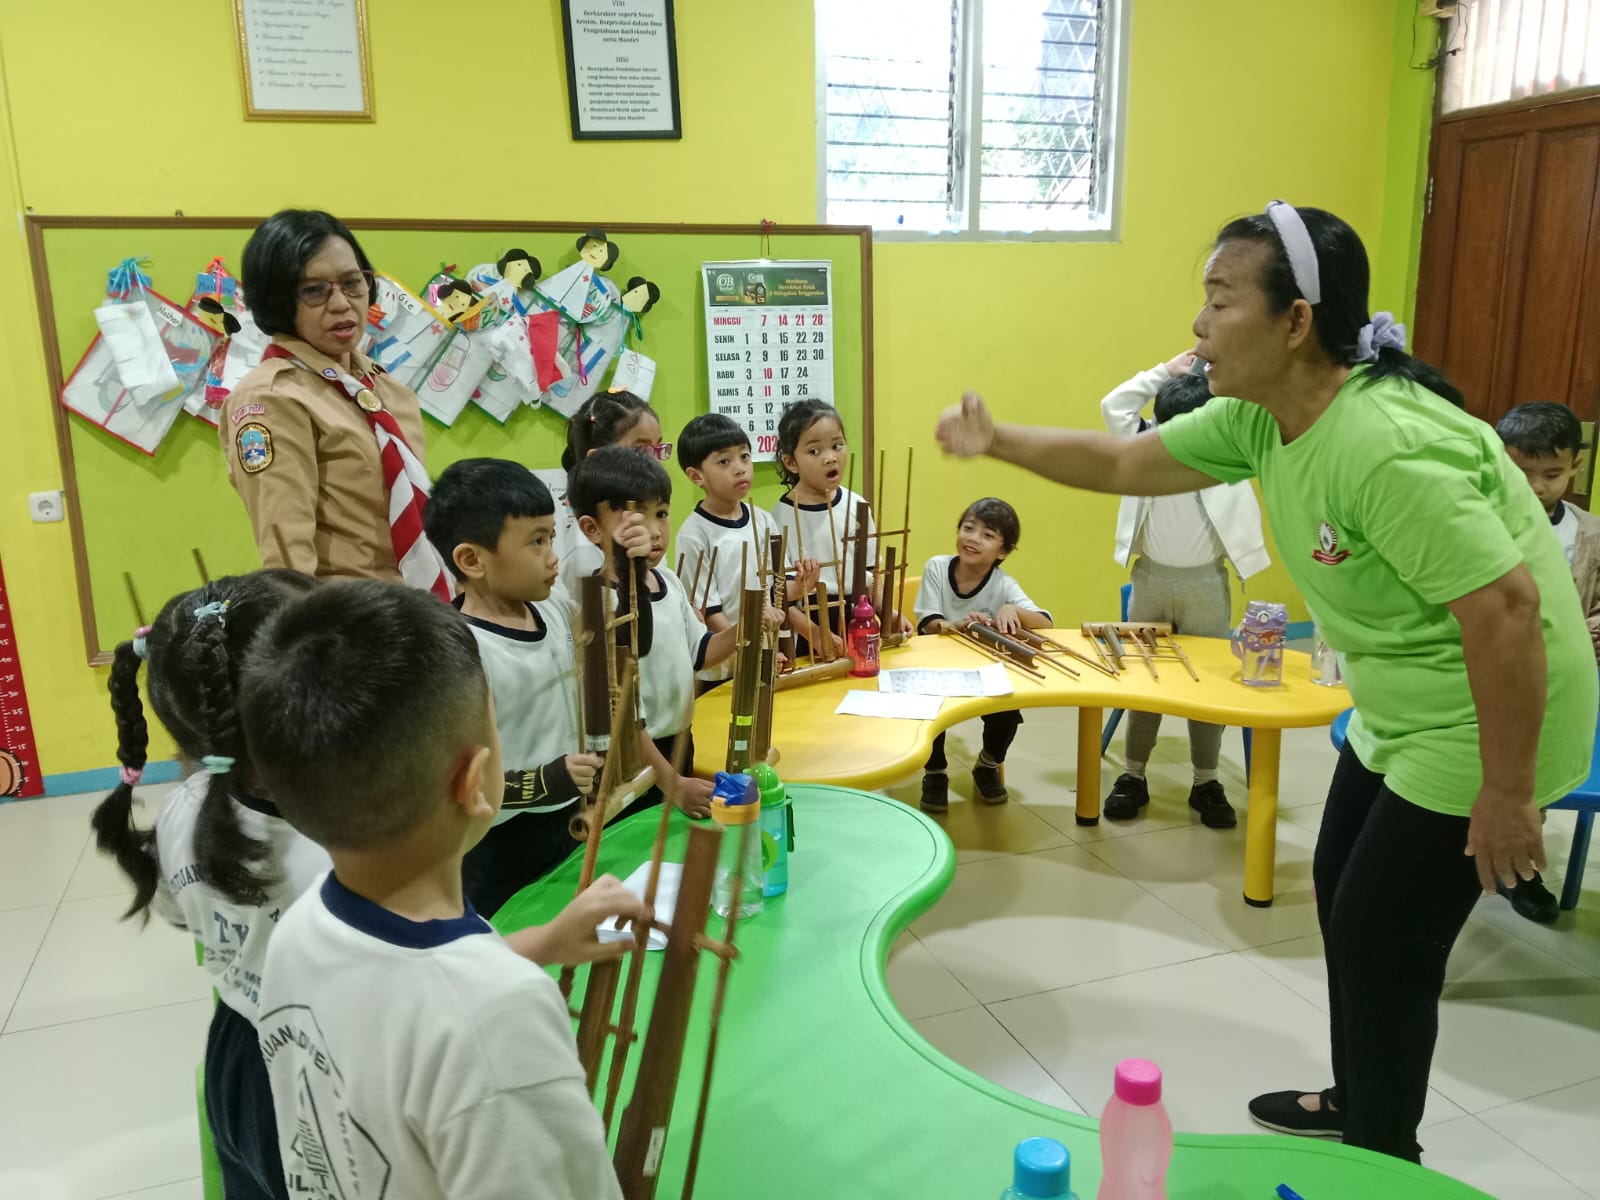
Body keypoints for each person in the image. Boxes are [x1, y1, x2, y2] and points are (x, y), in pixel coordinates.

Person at [935, 201, 1595, 1163]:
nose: (1198, 325)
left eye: (1219, 298)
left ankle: (1382, 1159)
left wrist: (1505, 790)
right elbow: (1124, 459)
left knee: (1384, 945)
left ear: (1295, 322)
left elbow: (1506, 613)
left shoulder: (1387, 444)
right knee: (1340, 890)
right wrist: (998, 440)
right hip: (1405, 701)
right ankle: (1357, 1095)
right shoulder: (1260, 418)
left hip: (1485, 714)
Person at [239, 581, 648, 1199]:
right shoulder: (501, 1017)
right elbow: (456, 1016)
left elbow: (400, 999)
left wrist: (539, 943)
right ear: (477, 781)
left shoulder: (299, 928)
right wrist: (507, 980)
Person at [90, 570, 324, 1200]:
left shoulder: (182, 807)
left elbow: (176, 908)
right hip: (321, 1073)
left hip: (237, 1048)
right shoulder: (341, 848)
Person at [423, 458, 643, 916]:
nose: (552, 556)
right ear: (471, 560)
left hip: (565, 824)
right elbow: (449, 781)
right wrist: (546, 781)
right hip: (496, 847)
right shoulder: (462, 652)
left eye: (552, 537)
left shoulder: (556, 606)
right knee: (516, 948)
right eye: (536, 542)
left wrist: (627, 566)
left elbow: (626, 641)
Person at [222, 209, 450, 599]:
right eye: (314, 291)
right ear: (277, 299)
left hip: (426, 613)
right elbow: (287, 560)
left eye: (352, 283)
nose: (342, 303)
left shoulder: (388, 390)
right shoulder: (273, 397)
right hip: (350, 626)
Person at [1100, 350, 1271, 830]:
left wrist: (1228, 375)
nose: (1177, 444)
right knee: (1144, 680)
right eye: (1167, 431)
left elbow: (1259, 415)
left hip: (1205, 584)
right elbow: (1113, 405)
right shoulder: (1143, 450)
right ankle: (1133, 774)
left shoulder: (1227, 455)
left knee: (1208, 683)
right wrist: (1164, 371)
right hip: (1151, 579)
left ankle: (1206, 779)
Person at [568, 448, 781, 819]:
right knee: (638, 847)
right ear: (592, 528)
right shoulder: (596, 604)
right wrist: (671, 783)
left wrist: (744, 626)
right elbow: (621, 717)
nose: (654, 531)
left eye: (662, 514)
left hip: (680, 741)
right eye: (635, 518)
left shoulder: (668, 581)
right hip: (632, 756)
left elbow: (702, 653)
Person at [1492, 401, 1600, 923]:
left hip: (1555, 679)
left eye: (1552, 474)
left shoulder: (1590, 535)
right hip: (1484, 673)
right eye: (1521, 472)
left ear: (1575, 467)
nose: (1536, 487)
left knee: (1537, 779)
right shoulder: (1480, 524)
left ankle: (1520, 873)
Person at [913, 498, 1051, 812]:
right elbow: (928, 624)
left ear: (1003, 551)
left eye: (988, 535)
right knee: (928, 708)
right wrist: (955, 625)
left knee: (1008, 711)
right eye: (968, 528)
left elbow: (1045, 621)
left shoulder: (1004, 584)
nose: (973, 538)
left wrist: (1012, 609)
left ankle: (988, 764)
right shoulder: (937, 566)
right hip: (938, 666)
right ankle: (935, 772)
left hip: (981, 671)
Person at [674, 412, 819, 687]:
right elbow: (708, 612)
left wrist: (801, 586)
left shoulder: (763, 519)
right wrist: (747, 647)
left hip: (769, 657)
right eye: (724, 461)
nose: (740, 468)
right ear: (696, 476)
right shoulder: (694, 534)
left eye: (744, 456)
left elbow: (777, 591)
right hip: (723, 668)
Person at [770, 399, 910, 649]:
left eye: (837, 445)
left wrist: (890, 613)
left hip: (859, 616)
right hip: (808, 628)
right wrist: (816, 635)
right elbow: (781, 598)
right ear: (791, 462)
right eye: (815, 451)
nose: (830, 458)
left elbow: (870, 577)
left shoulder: (857, 505)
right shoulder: (780, 517)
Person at [557, 390, 667, 601]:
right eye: (641, 450)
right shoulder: (585, 554)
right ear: (598, 459)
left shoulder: (646, 524)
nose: (655, 463)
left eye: (658, 448)